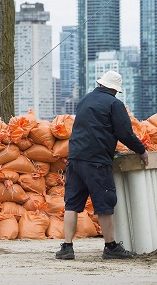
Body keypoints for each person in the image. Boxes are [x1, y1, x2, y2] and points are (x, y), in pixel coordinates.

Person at [55, 70, 149, 260]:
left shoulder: (85, 100)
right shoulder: (115, 104)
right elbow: (125, 134)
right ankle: (111, 246)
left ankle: (67, 247)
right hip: (96, 161)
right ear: (115, 90)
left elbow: (88, 128)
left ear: (101, 84)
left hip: (75, 159)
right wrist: (141, 150)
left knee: (71, 204)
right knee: (104, 203)